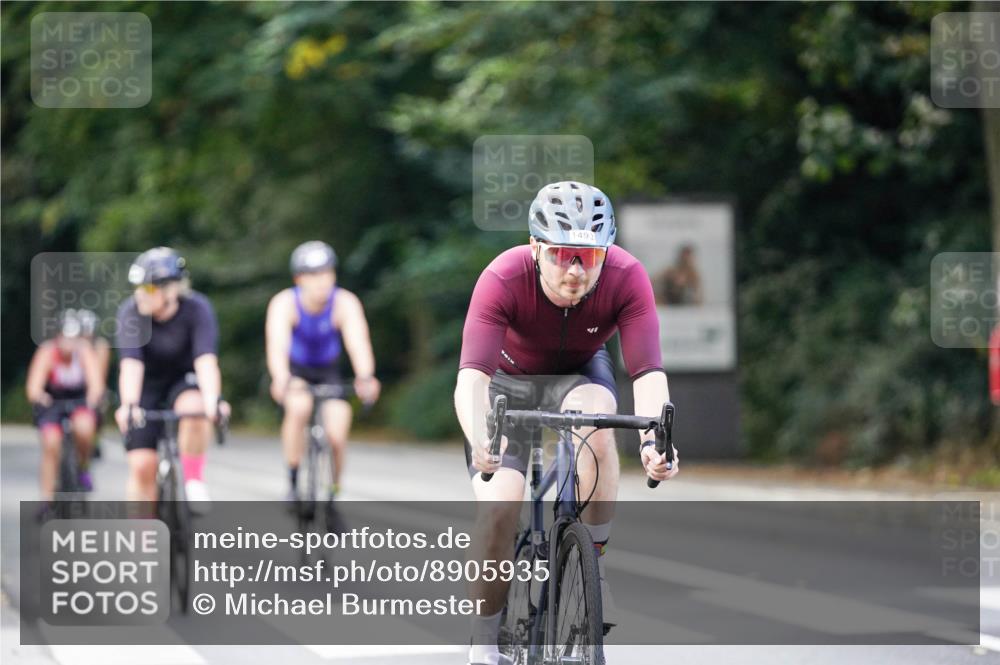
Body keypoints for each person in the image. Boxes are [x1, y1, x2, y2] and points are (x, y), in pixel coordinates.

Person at [455, 181, 679, 665]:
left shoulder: (627, 277)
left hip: (578, 376)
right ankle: (485, 640)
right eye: (561, 254)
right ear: (536, 248)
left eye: (589, 256)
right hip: (506, 387)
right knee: (500, 506)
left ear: (607, 251)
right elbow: (471, 379)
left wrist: (652, 443)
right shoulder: (503, 276)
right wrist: (479, 439)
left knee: (599, 428)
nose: (575, 271)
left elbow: (648, 373)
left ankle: (591, 568)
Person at [265, 241, 381, 523]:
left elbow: (358, 343)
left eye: (327, 273)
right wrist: (281, 378)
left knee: (337, 435)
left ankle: (332, 495)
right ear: (299, 279)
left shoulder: (344, 302)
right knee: (299, 408)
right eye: (313, 275)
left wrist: (365, 376)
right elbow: (277, 345)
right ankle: (293, 483)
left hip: (329, 373)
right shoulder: (284, 303)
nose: (321, 281)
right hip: (296, 373)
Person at [114, 248, 225, 509]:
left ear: (171, 290)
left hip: (183, 380)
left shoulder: (197, 309)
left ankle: (194, 480)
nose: (141, 294)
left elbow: (206, 360)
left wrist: (213, 400)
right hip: (146, 384)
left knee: (195, 410)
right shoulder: (131, 313)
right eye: (138, 287)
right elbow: (131, 364)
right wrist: (129, 404)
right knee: (143, 466)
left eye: (149, 288)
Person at [25, 309, 104, 500]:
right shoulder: (47, 352)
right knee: (51, 444)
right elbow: (33, 387)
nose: (70, 343)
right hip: (53, 403)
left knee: (85, 429)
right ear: (58, 336)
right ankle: (47, 499)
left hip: (79, 401)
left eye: (74, 338)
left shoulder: (85, 351)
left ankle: (83, 467)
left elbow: (96, 384)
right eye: (66, 337)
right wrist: (40, 396)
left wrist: (94, 398)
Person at [77, 308, 111, 459]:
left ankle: (95, 439)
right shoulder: (72, 344)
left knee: (99, 406)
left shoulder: (100, 345)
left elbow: (100, 372)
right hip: (74, 386)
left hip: (93, 384)